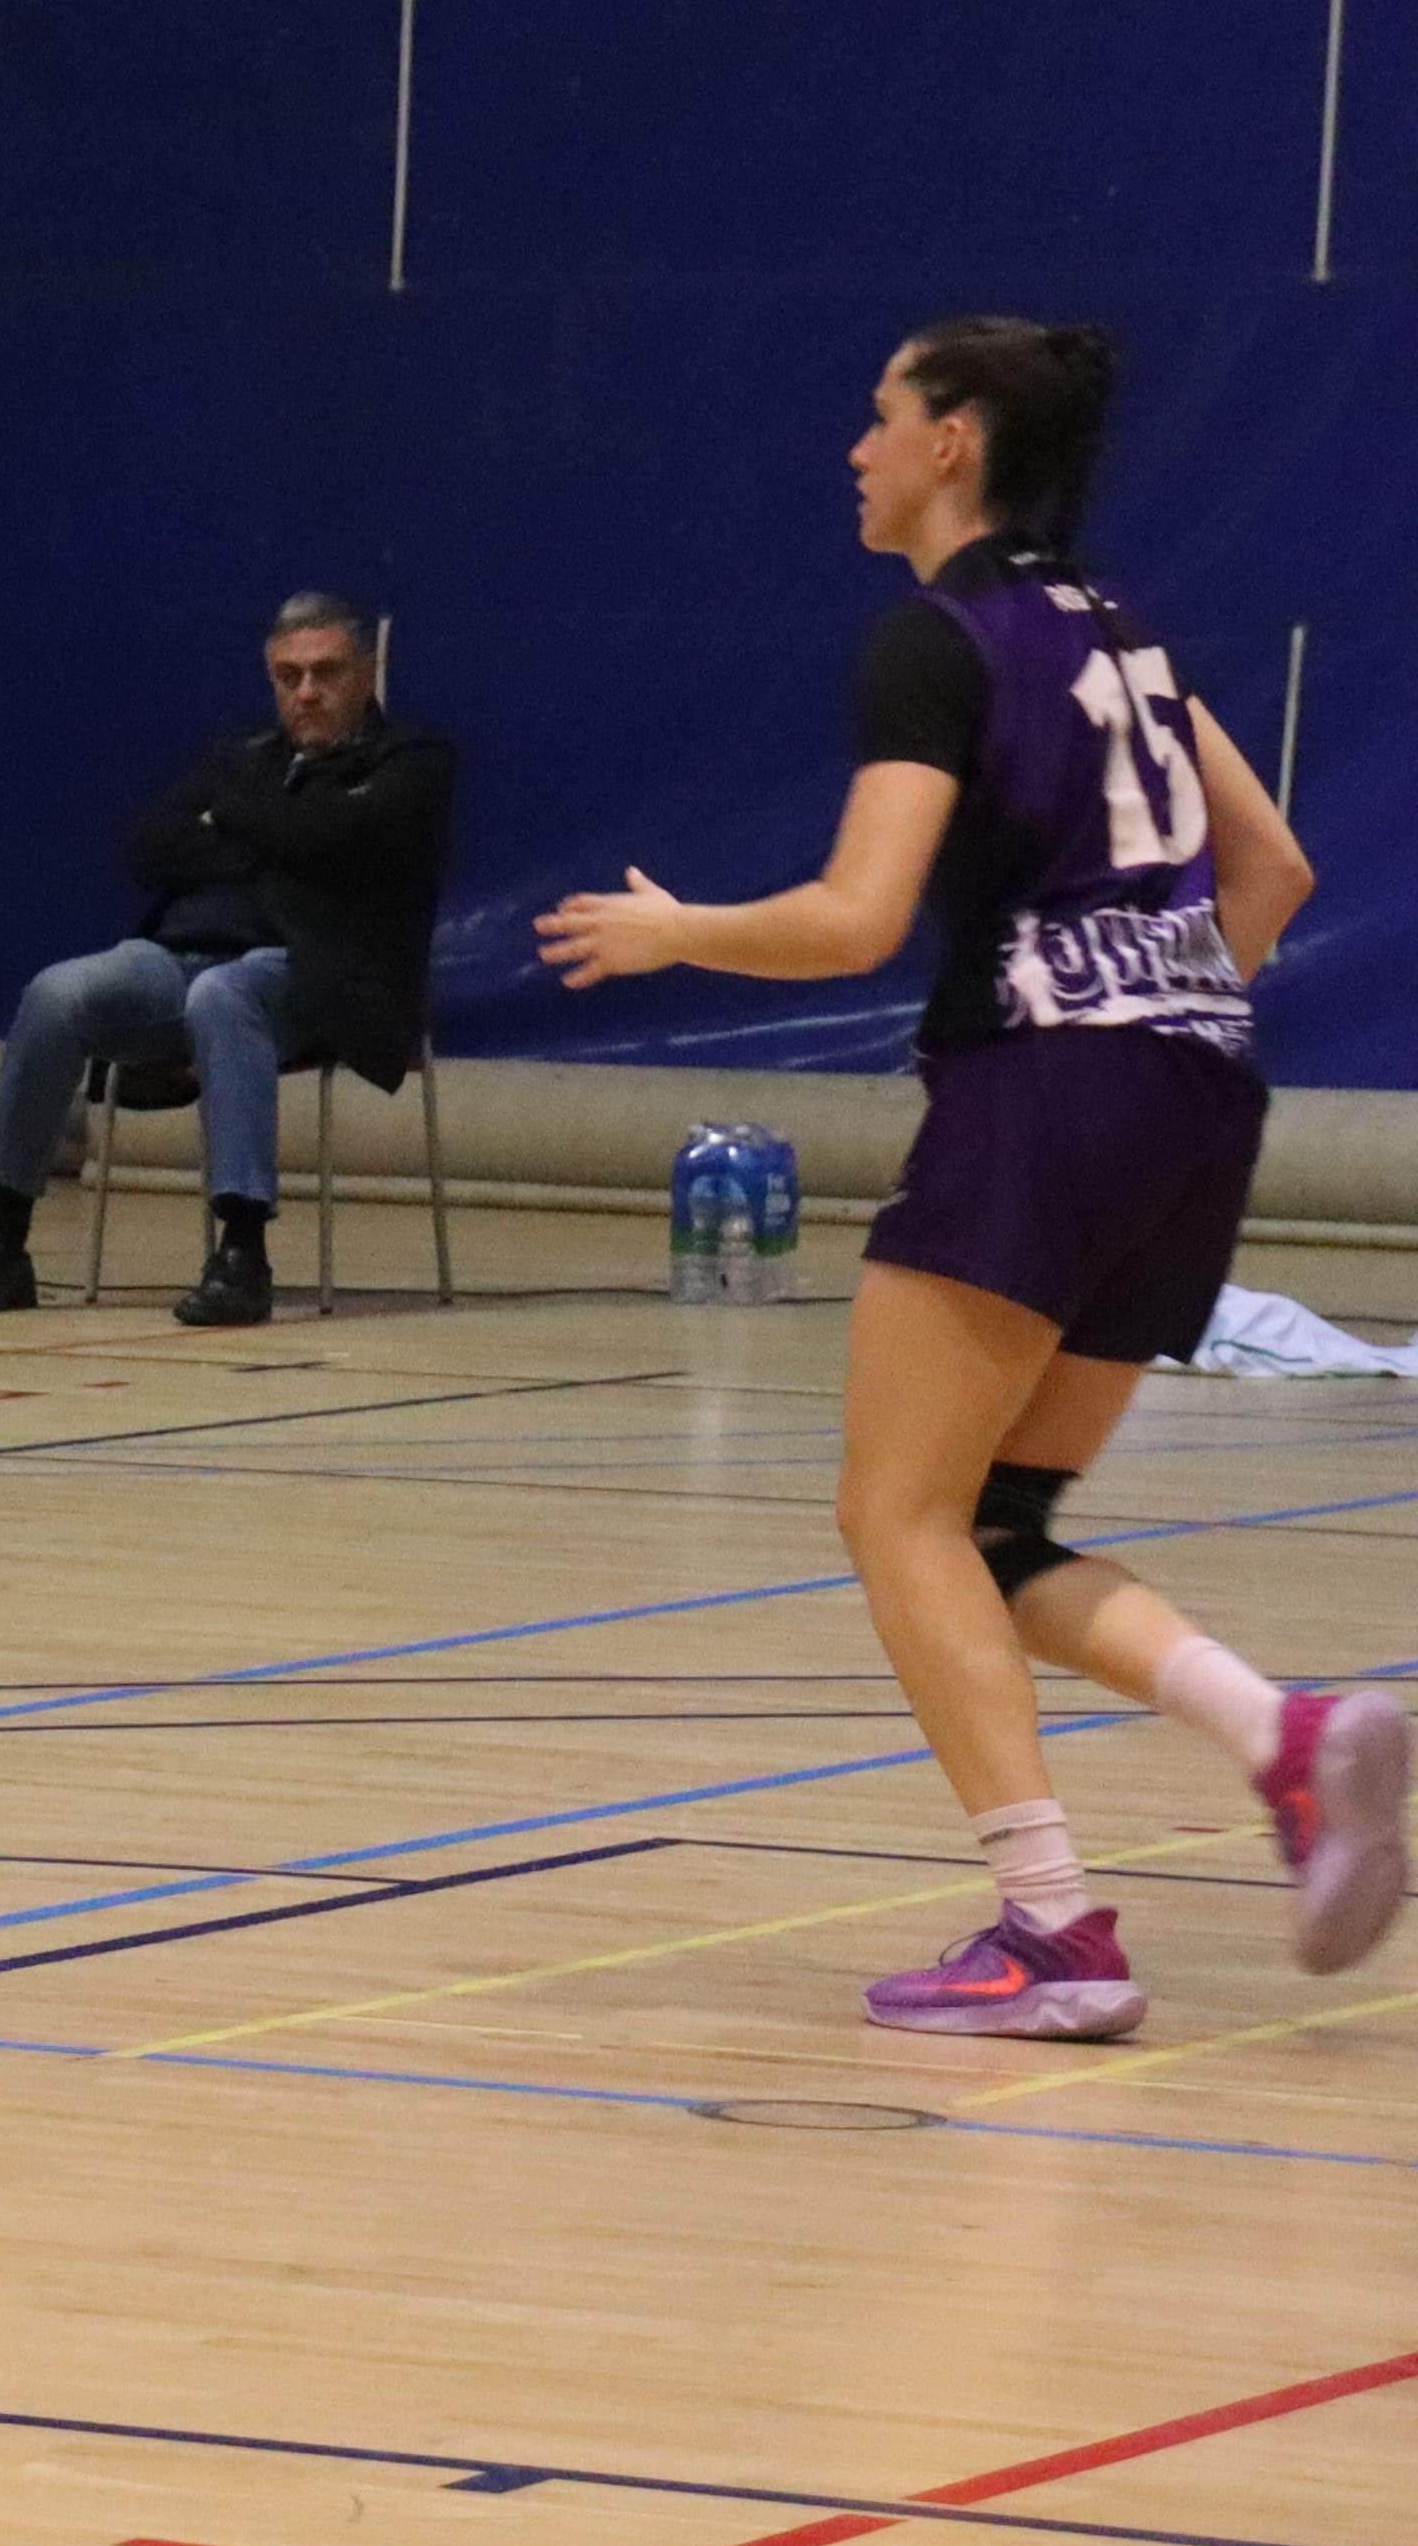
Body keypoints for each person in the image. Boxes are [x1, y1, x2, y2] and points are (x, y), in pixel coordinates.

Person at [536, 315, 1401, 2038]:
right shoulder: (1126, 631)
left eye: (879, 414)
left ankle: (1056, 1928)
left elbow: (859, 918)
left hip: (1050, 1093)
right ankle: (1282, 1737)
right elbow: (1279, 866)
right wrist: (1146, 1014)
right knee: (996, 1522)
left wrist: (675, 930)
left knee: (892, 1511)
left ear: (955, 440)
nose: (855, 446)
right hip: (1199, 1088)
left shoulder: (935, 643)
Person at [0, 596, 457, 1327]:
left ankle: (243, 1253)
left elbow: (346, 838)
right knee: (60, 992)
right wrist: (284, 833)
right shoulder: (241, 755)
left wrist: (243, 820)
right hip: (180, 957)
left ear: (366, 672)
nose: (306, 692)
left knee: (225, 993)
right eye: (289, 676)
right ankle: (4, 1240)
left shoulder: (414, 761)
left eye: (326, 673)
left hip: (319, 974)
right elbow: (150, 847)